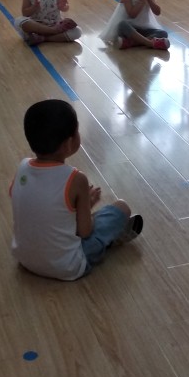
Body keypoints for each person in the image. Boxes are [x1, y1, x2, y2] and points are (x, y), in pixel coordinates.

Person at [10, 99, 143, 280]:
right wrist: (86, 207)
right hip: (68, 266)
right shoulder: (75, 179)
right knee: (121, 208)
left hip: (24, 259)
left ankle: (108, 235)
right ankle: (110, 239)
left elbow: (37, 206)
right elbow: (84, 231)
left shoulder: (22, 167)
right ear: (68, 144)